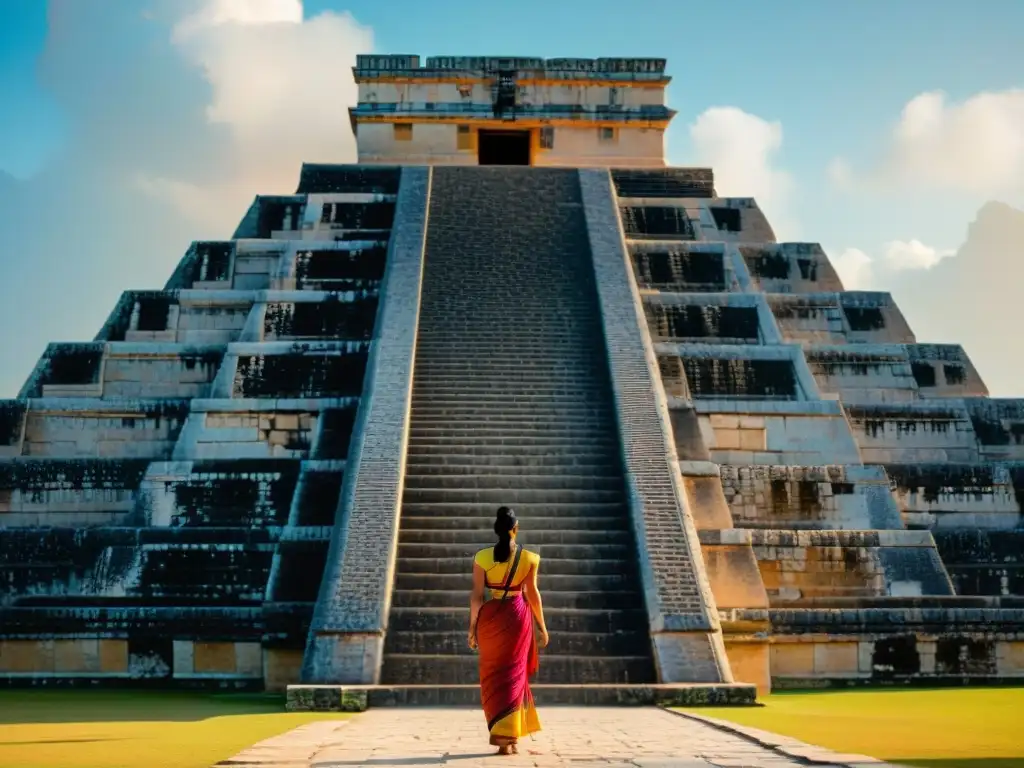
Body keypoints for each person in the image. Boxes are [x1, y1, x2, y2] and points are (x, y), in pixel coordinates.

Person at [468, 506, 549, 755]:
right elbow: (533, 595)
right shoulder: (530, 558)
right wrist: (542, 626)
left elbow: (477, 597)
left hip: (490, 619)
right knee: (514, 675)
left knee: (492, 677)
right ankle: (510, 737)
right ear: (516, 529)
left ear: (497, 529)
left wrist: (472, 628)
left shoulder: (482, 557)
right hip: (517, 616)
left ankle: (503, 736)